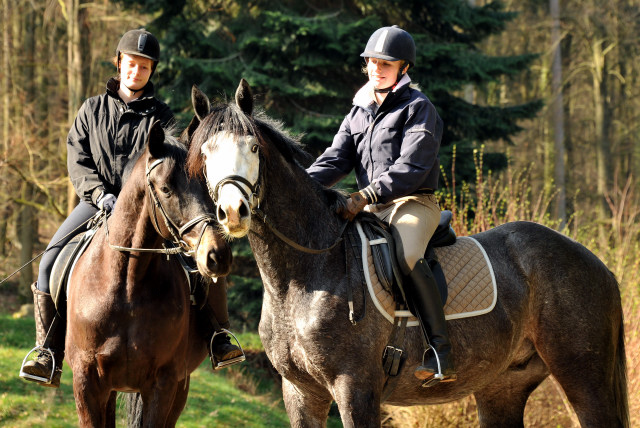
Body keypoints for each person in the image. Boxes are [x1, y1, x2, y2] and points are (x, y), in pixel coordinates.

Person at [20, 29, 242, 388]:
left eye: (144, 66)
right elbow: (78, 160)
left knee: (199, 261)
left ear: (151, 71)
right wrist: (99, 194)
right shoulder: (91, 110)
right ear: (119, 63)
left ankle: (218, 335)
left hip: (149, 212)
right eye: (131, 64)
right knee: (49, 260)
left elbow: (173, 165)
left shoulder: (161, 115)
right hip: (95, 203)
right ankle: (47, 351)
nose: (135, 71)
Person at [307, 25, 455, 384]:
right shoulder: (357, 112)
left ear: (404, 68)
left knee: (405, 255)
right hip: (370, 208)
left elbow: (412, 167)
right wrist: (298, 185)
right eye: (373, 61)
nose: (377, 68)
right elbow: (334, 160)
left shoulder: (419, 108)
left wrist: (366, 195)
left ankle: (440, 350)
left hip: (412, 202)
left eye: (386, 63)